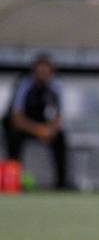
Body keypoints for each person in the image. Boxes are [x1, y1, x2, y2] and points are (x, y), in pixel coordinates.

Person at [2, 54, 68, 189]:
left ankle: (61, 183)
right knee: (13, 138)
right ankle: (13, 180)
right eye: (40, 71)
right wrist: (38, 130)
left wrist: (50, 130)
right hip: (22, 126)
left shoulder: (55, 86)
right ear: (34, 71)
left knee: (60, 138)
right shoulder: (23, 85)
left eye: (46, 71)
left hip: (42, 125)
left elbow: (58, 115)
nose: (43, 74)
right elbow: (16, 117)